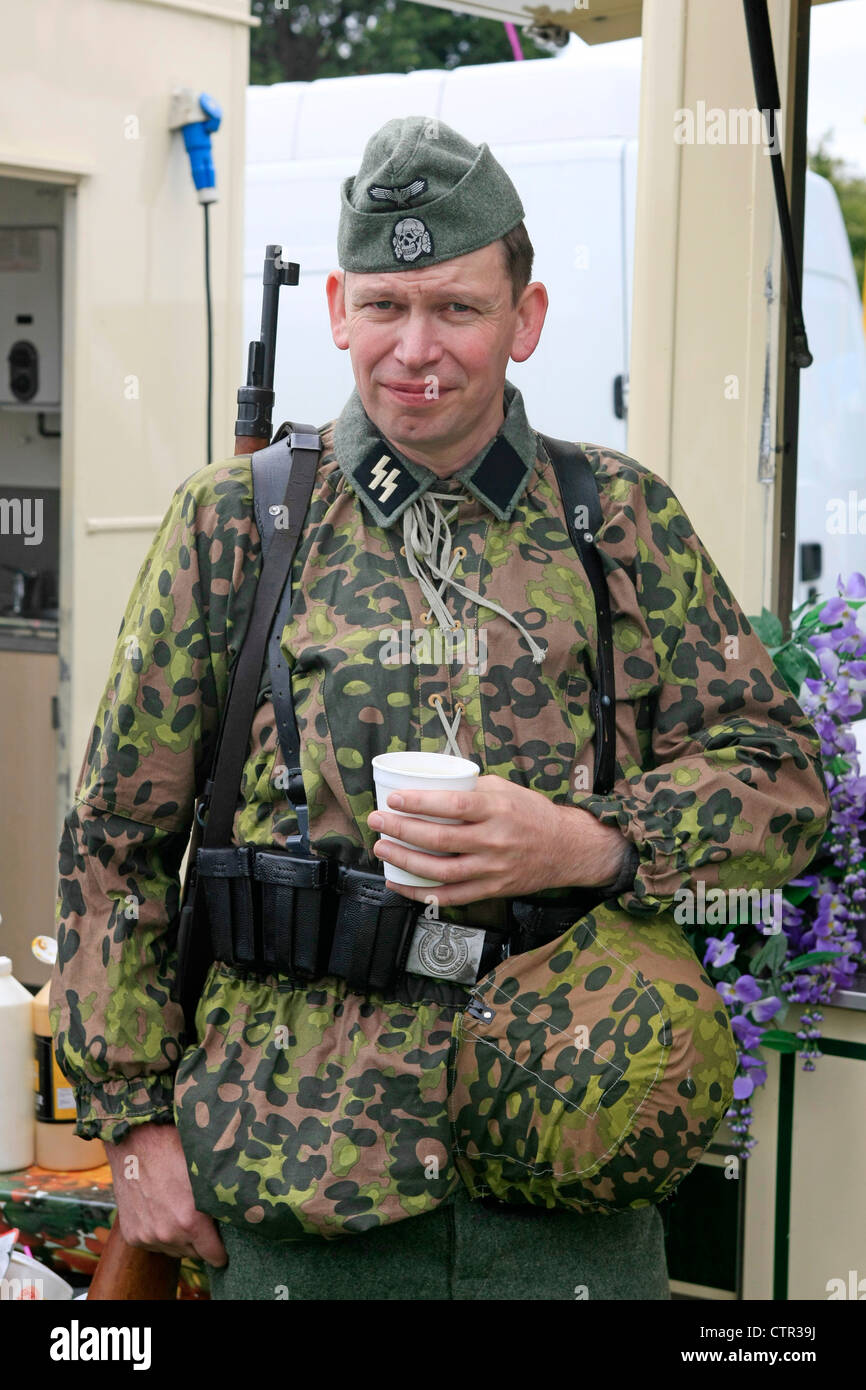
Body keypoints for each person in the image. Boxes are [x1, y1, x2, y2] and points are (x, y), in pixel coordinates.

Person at [51, 117, 830, 1301]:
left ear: (524, 317)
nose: (416, 349)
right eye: (385, 305)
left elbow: (779, 780)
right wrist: (130, 1126)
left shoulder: (613, 520)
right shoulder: (235, 523)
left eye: (458, 308)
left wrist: (592, 840)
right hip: (302, 1182)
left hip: (567, 1165)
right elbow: (117, 836)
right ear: (334, 310)